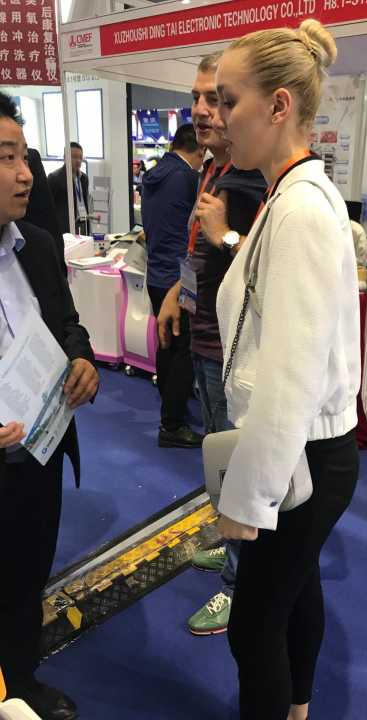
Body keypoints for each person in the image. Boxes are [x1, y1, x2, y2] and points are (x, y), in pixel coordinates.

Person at [211, 21, 360, 720]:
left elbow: (291, 376)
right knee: (296, 594)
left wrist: (249, 497)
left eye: (228, 100)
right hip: (308, 450)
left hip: (301, 452)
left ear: (278, 106)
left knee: (252, 628)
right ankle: (298, 708)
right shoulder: (293, 195)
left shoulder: (300, 209)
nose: (217, 117)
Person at [157, 54, 266, 636]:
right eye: (197, 98)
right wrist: (178, 293)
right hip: (205, 344)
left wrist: (226, 234)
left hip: (233, 353)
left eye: (217, 99)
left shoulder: (251, 181)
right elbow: (199, 252)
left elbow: (265, 267)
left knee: (238, 472)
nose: (203, 111)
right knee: (218, 462)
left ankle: (239, 585)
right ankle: (231, 551)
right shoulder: (213, 170)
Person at [0, 93, 99, 720]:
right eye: (6, 158)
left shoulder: (36, 245)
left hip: (39, 453)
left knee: (26, 577)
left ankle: (19, 680)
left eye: (24, 157)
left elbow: (68, 324)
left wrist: (82, 358)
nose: (25, 174)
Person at [142, 123, 205, 449]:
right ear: (198, 150)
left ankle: (169, 398)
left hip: (155, 273)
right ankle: (172, 424)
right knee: (184, 348)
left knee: (165, 341)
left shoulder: (152, 175)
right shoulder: (187, 178)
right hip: (181, 277)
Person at [25, 148, 65, 273]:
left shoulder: (83, 178)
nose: (26, 177)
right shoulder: (55, 177)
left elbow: (47, 210)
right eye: (9, 157)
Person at [48, 141, 89, 235]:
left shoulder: (84, 178)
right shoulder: (54, 178)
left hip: (82, 222)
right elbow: (49, 206)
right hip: (65, 226)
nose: (78, 160)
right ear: (65, 157)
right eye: (74, 157)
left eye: (80, 157)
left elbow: (84, 201)